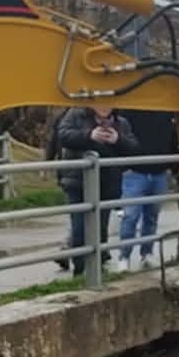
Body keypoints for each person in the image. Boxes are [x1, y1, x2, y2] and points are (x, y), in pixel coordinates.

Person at [56, 106, 138, 271]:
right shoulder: (75, 114)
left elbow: (134, 148)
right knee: (79, 228)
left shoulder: (121, 123)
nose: (104, 107)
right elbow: (63, 135)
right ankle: (79, 271)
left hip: (106, 183)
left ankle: (97, 269)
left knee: (100, 229)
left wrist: (118, 140)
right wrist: (89, 135)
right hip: (77, 180)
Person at [117, 108, 179, 271]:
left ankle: (146, 254)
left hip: (159, 171)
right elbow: (121, 135)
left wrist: (172, 166)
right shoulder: (130, 110)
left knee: (151, 217)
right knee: (131, 216)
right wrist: (123, 166)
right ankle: (124, 256)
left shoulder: (166, 111)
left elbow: (173, 136)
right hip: (134, 171)